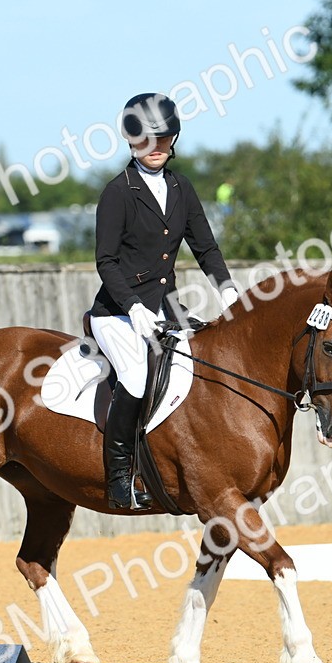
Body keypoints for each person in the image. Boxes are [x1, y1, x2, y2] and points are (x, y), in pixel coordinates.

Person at [89, 92, 239, 510]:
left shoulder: (181, 187)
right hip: (118, 312)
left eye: (164, 139)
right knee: (136, 377)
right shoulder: (117, 192)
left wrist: (227, 290)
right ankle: (119, 475)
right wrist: (134, 307)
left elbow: (205, 247)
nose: (156, 148)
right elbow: (106, 261)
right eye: (146, 141)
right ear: (131, 142)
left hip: (167, 308)